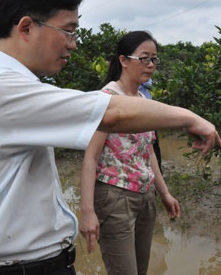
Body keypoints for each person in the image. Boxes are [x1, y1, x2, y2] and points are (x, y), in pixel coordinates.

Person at [0, 0, 221, 275]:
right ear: (26, 27)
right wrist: (190, 117)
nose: (73, 44)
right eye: (69, 30)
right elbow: (112, 114)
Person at [80, 31, 177, 275]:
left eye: (154, 59)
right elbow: (90, 157)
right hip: (114, 198)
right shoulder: (108, 99)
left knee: (140, 270)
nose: (151, 65)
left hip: (145, 196)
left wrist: (164, 193)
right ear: (124, 61)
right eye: (144, 58)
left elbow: (148, 151)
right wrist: (88, 212)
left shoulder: (144, 98)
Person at [138, 78, 162, 172]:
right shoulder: (141, 77)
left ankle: (157, 170)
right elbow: (153, 86)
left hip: (149, 112)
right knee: (151, 144)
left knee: (154, 144)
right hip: (144, 113)